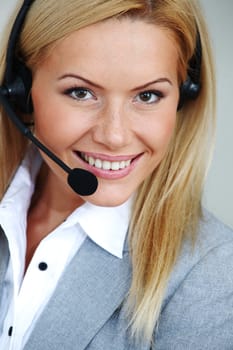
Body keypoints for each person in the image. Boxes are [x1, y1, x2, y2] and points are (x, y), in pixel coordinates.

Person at [0, 0, 233, 349]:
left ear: (183, 99)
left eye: (148, 95)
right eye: (81, 92)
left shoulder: (210, 273)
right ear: (21, 93)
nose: (114, 135)